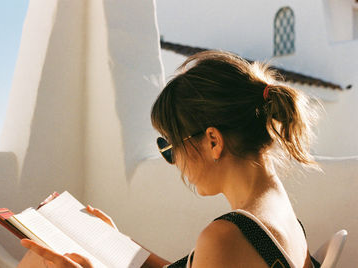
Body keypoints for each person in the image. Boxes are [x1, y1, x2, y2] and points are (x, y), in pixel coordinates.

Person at [18, 50, 322, 267]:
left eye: (171, 146)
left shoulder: (227, 236)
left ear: (213, 141)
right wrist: (118, 243)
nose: (174, 160)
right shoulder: (275, 213)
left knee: (39, 261)